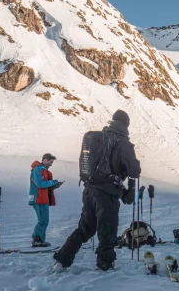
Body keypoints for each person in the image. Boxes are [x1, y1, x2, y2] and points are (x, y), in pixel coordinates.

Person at [54, 110, 141, 271]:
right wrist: (130, 187)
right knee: (107, 231)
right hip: (106, 195)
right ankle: (105, 265)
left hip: (89, 191)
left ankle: (61, 261)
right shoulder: (123, 143)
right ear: (126, 125)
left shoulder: (100, 138)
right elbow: (134, 171)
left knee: (84, 229)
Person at [28, 153, 63, 247]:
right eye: (50, 162)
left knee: (45, 220)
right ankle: (36, 239)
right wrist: (53, 182)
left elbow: (45, 187)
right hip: (38, 199)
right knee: (42, 220)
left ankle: (40, 240)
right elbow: (39, 184)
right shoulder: (37, 169)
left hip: (44, 199)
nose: (51, 164)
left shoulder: (45, 171)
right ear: (45, 160)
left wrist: (55, 186)